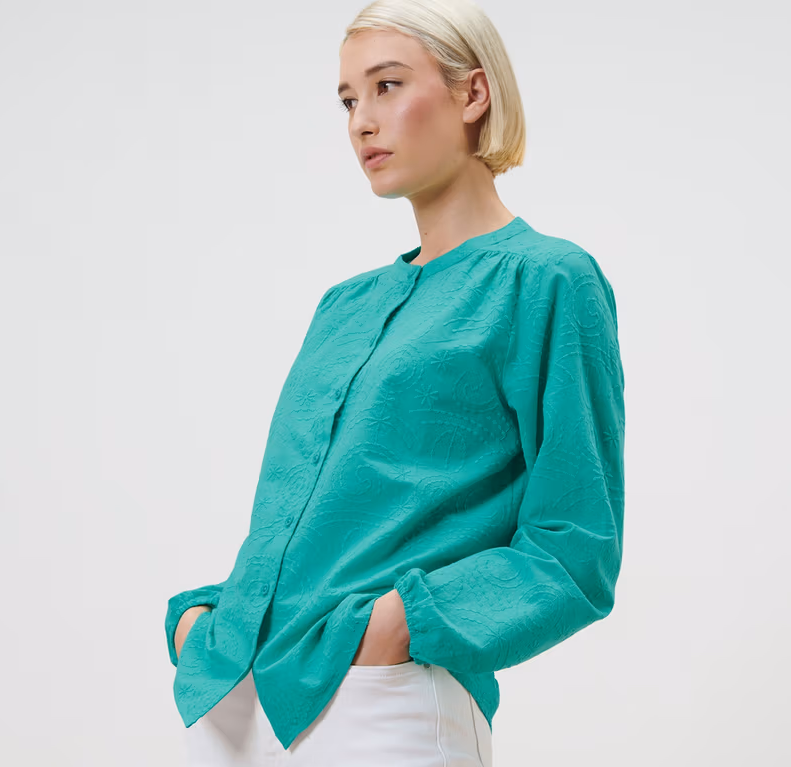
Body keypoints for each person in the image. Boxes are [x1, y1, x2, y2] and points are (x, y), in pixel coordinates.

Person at [165, 0, 626, 764]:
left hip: (378, 702)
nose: (362, 122)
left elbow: (574, 545)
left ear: (473, 93)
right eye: (348, 100)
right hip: (237, 699)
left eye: (386, 86)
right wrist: (207, 623)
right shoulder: (342, 305)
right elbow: (307, 522)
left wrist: (398, 625)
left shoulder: (546, 281)